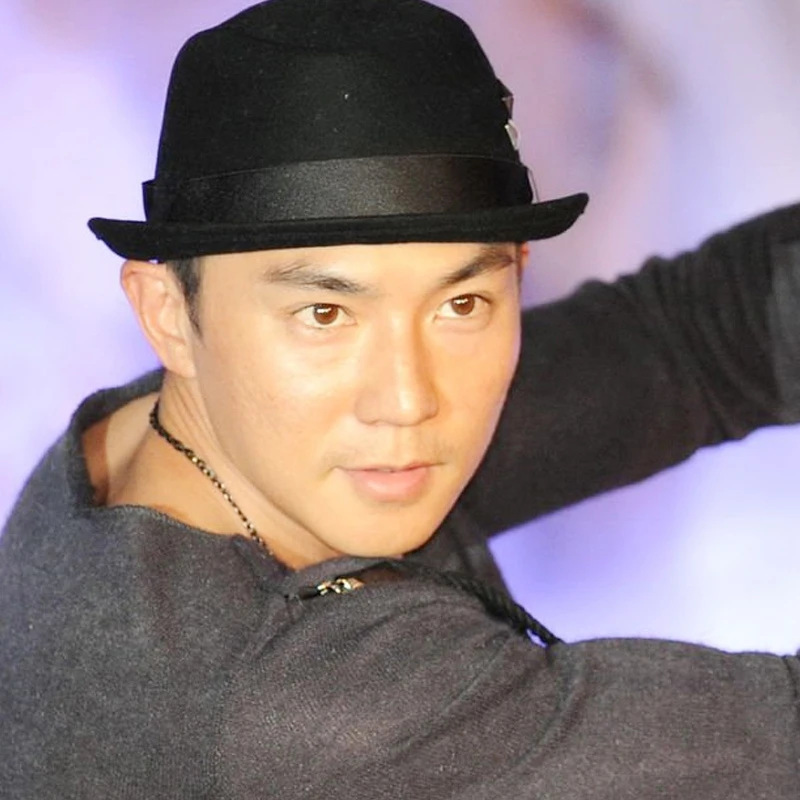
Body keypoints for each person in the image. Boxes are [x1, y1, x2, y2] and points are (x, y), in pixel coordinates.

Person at [1, 0, 799, 796]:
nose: (409, 400)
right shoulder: (301, 710)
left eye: (461, 303)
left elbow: (691, 342)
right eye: (325, 314)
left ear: (517, 271)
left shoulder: (171, 437)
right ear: (168, 315)